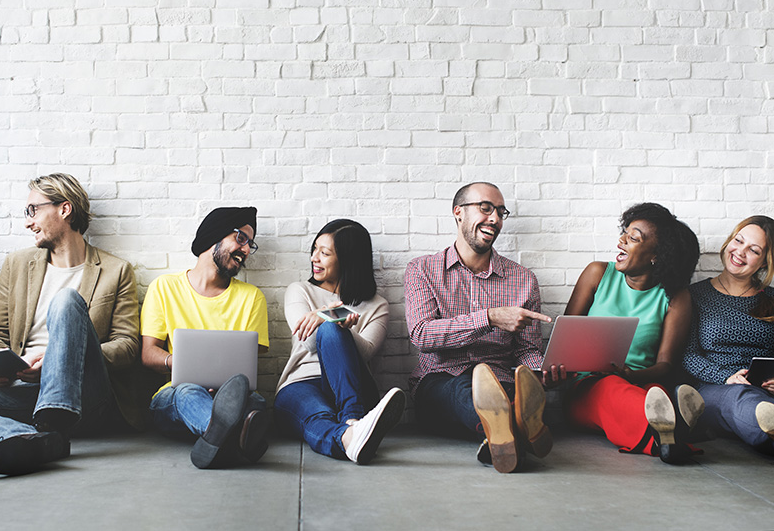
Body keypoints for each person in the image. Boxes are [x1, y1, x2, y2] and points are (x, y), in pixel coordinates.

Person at [0, 173, 141, 475]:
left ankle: (53, 418)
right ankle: (27, 439)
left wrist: (60, 359)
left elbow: (127, 346)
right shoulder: (17, 264)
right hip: (26, 391)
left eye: (33, 210)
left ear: (64, 209)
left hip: (86, 394)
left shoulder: (115, 270)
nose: (28, 222)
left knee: (67, 300)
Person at [405, 182, 555, 473]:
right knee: (465, 389)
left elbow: (527, 349)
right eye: (485, 208)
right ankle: (521, 427)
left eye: (500, 212)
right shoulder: (422, 269)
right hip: (440, 381)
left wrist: (541, 373)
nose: (495, 219)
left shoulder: (523, 279)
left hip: (503, 380)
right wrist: (489, 318)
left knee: (512, 392)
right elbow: (422, 334)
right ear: (458, 212)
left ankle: (502, 435)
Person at [565, 202, 703, 464]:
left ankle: (668, 434)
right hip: (588, 385)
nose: (621, 241)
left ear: (657, 255)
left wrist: (630, 374)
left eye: (633, 237)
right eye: (624, 232)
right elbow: (565, 339)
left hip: (642, 382)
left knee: (653, 393)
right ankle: (678, 427)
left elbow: (665, 364)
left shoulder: (675, 295)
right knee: (614, 389)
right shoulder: (597, 273)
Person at [141, 207, 270, 469]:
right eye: (241, 239)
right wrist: (180, 363)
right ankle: (234, 436)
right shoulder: (165, 287)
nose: (246, 250)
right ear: (214, 236)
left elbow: (248, 363)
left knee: (254, 401)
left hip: (232, 395)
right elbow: (148, 353)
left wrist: (225, 387)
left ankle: (216, 439)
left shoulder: (252, 297)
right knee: (188, 391)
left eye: (250, 244)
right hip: (177, 398)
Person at [275, 219, 405, 464]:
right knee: (318, 416)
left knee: (333, 331)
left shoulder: (377, 305)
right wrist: (331, 314)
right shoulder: (299, 290)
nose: (315, 258)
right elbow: (309, 342)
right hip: (302, 383)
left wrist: (335, 319)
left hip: (351, 388)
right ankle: (350, 436)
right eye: (314, 250)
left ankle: (351, 419)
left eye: (324, 253)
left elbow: (365, 353)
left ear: (348, 259)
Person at [682, 215, 774, 455]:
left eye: (753, 250)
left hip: (764, 389)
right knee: (740, 398)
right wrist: (726, 377)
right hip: (715, 388)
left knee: (755, 402)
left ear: (764, 262)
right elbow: (687, 354)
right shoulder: (694, 295)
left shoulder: (771, 299)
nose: (740, 252)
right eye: (738, 241)